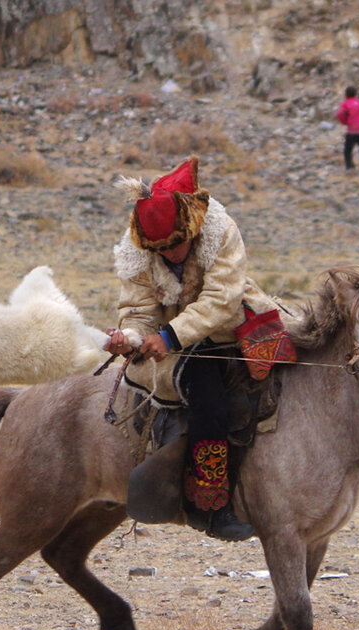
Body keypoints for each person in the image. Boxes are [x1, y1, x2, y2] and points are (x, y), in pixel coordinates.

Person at [104, 156, 282, 542]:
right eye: (161, 250)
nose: (170, 255)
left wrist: (168, 336)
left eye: (178, 245)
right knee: (208, 398)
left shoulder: (221, 231)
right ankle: (211, 506)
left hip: (230, 328)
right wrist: (129, 338)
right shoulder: (136, 249)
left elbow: (222, 300)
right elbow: (137, 312)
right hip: (180, 348)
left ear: (193, 226)